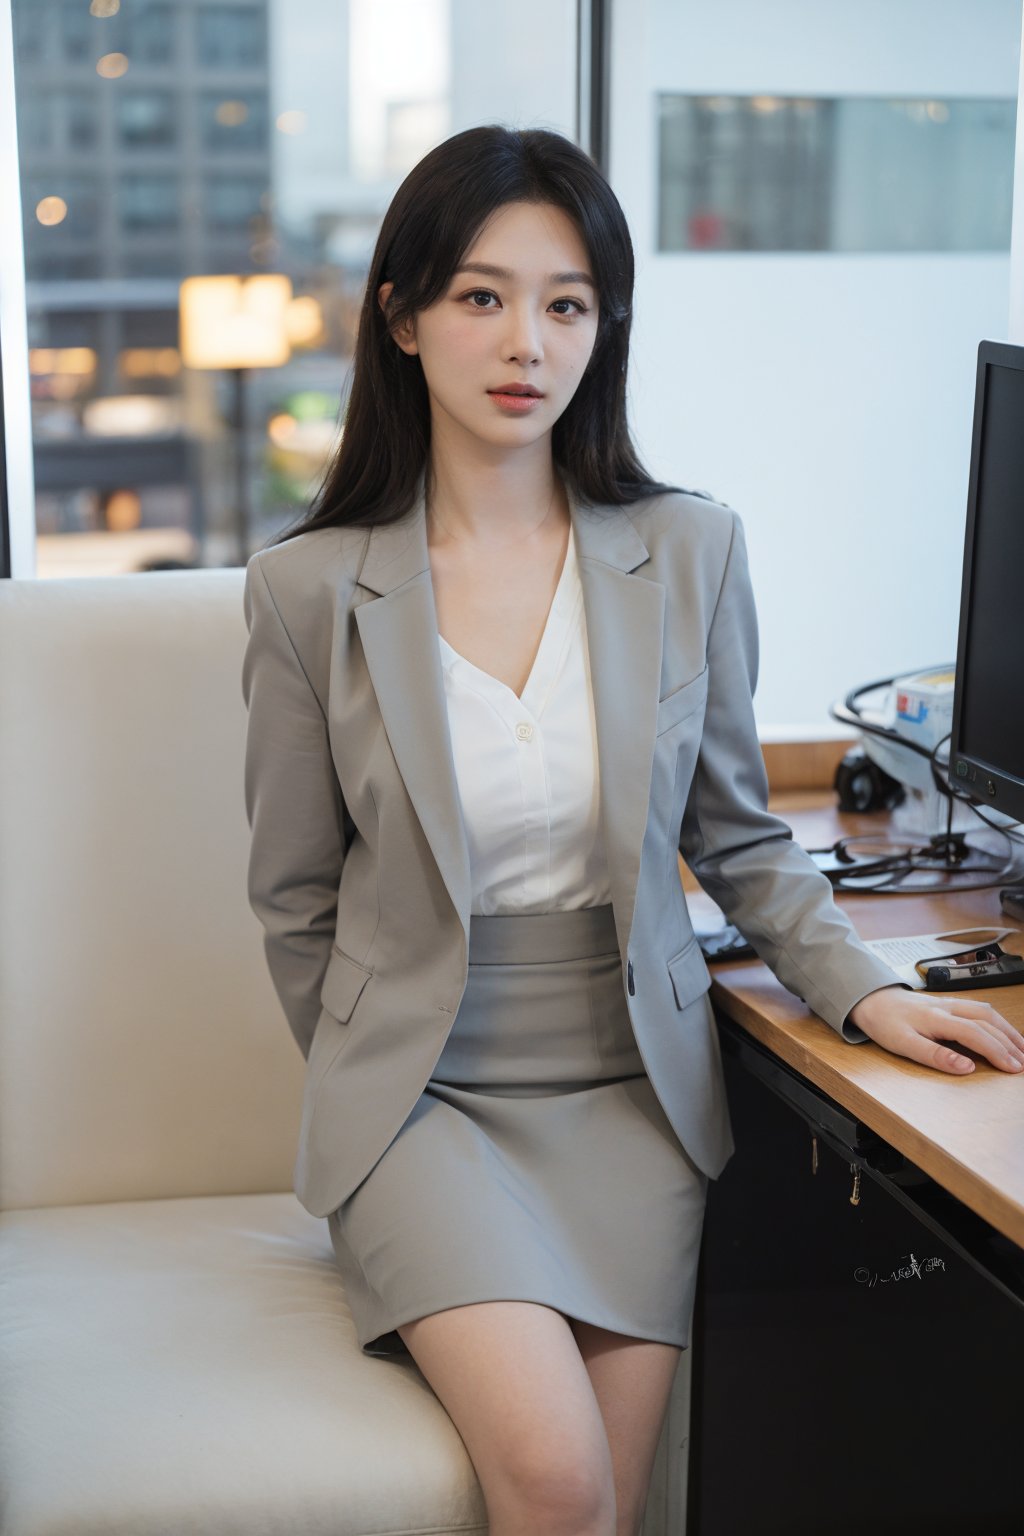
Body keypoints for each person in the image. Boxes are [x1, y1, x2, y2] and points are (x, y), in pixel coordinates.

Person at [241, 123, 1024, 1536]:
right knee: (551, 1478)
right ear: (402, 315)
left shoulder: (691, 552)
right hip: (424, 1103)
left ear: (605, 327)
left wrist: (868, 991)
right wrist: (372, 1069)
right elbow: (293, 895)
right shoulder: (308, 592)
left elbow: (739, 835)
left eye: (567, 302)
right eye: (481, 296)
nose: (525, 340)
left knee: (613, 1507)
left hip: (630, 1098)